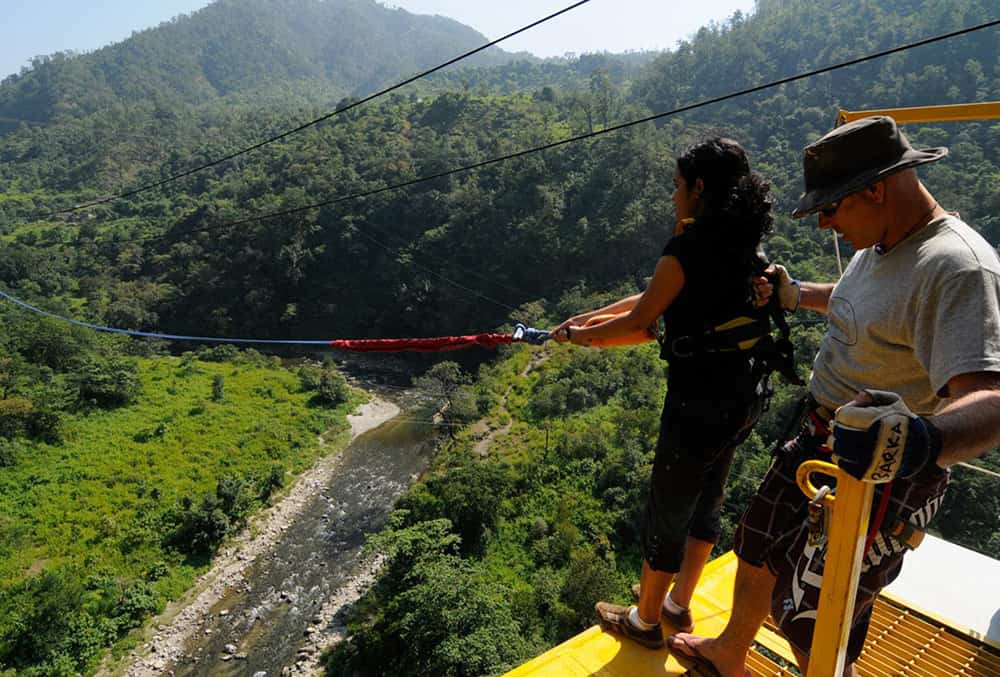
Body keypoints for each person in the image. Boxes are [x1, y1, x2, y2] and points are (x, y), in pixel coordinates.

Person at [668, 115, 1000, 677]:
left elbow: (991, 395)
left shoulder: (956, 268)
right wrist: (797, 295)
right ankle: (730, 651)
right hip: (823, 434)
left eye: (831, 207)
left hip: (885, 468)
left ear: (875, 188)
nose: (824, 223)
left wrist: (919, 439)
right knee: (757, 541)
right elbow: (860, 306)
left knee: (814, 610)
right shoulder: (884, 240)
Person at [552, 137, 784, 649]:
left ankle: (645, 621)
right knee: (709, 498)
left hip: (698, 402)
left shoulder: (687, 247)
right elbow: (656, 294)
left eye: (678, 185)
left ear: (699, 188)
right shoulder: (744, 244)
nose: (673, 195)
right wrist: (589, 319)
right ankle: (680, 604)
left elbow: (641, 322)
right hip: (743, 395)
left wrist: (578, 337)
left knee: (669, 508)